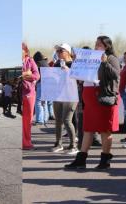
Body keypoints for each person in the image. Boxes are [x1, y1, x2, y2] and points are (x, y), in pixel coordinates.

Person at [66, 36, 120, 169]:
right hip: (90, 98)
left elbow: (115, 75)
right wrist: (77, 64)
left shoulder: (111, 58)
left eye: (99, 45)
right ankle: (81, 158)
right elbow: (82, 76)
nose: (96, 47)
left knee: (104, 130)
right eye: (95, 44)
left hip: (103, 98)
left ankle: (104, 160)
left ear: (106, 46)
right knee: (88, 129)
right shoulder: (91, 57)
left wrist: (105, 62)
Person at [50, 43, 78, 155]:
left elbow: (79, 78)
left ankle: (73, 146)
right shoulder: (57, 64)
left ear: (67, 52)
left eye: (60, 51)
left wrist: (68, 71)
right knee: (58, 121)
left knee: (67, 120)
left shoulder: (74, 64)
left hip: (70, 95)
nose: (58, 53)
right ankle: (58, 144)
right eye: (57, 51)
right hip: (58, 95)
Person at [22, 43, 40, 150]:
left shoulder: (30, 61)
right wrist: (25, 74)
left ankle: (27, 143)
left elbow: (37, 75)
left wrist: (28, 75)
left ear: (25, 51)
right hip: (19, 94)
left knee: (28, 120)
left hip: (29, 94)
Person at [33, 51, 49, 126]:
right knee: (44, 102)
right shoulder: (46, 63)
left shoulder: (38, 64)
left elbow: (37, 76)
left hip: (41, 83)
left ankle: (39, 120)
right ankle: (45, 118)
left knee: (38, 102)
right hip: (47, 84)